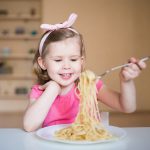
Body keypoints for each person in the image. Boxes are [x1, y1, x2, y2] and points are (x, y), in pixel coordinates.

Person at [23, 13, 146, 132]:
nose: (66, 66)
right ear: (43, 63)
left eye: (73, 59)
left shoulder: (90, 85)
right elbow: (29, 126)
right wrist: (53, 89)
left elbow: (127, 107)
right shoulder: (40, 91)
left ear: (81, 61)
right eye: (58, 60)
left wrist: (126, 81)